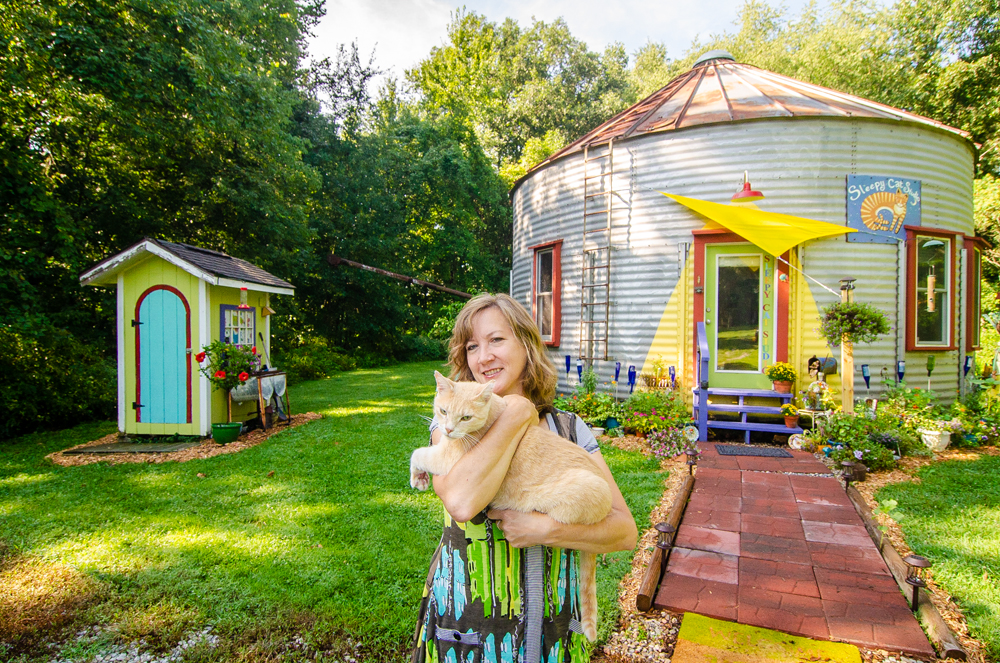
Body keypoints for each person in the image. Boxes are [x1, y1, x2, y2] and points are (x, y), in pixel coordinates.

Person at [411, 293, 637, 663]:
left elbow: (625, 531)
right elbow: (462, 501)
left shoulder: (569, 429)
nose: (483, 357)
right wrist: (516, 413)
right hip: (469, 633)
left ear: (526, 344)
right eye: (472, 346)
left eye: (496, 340)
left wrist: (545, 529)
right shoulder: (453, 424)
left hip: (553, 634)